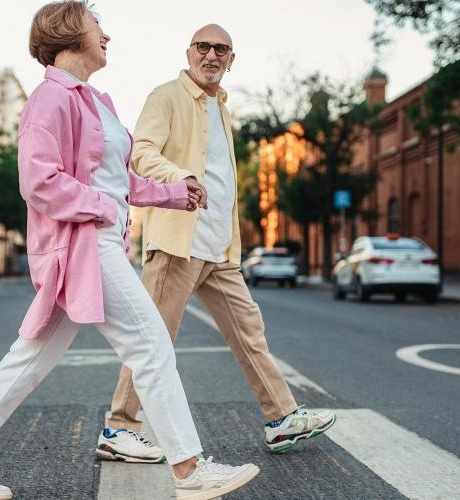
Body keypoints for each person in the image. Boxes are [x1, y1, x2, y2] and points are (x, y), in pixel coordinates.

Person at [0, 3, 259, 499]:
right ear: (69, 33)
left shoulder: (94, 100)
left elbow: (117, 179)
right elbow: (38, 181)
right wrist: (102, 207)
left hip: (96, 240)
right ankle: (189, 471)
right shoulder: (49, 97)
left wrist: (173, 192)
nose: (107, 35)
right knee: (151, 348)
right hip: (83, 244)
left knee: (30, 357)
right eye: (97, 25)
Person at [99, 23, 336, 462]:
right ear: (189, 52)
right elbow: (141, 152)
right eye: (203, 47)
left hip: (219, 248)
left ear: (231, 58)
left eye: (221, 49)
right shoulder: (166, 96)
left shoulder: (222, 108)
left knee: (250, 332)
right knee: (154, 339)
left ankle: (281, 418)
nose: (211, 55)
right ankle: (119, 428)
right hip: (177, 243)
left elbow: (223, 178)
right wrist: (179, 177)